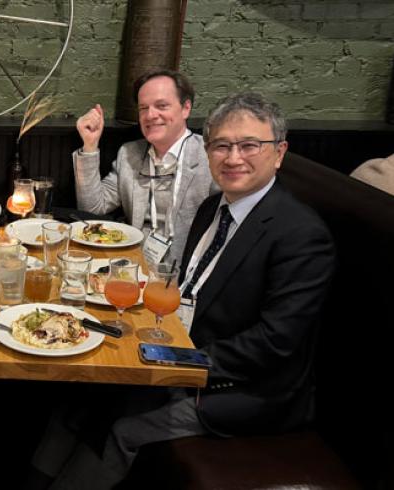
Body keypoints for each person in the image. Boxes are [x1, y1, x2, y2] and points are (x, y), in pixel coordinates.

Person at [29, 92, 336, 490]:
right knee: (78, 399)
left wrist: (182, 362)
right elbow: (185, 285)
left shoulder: (300, 235)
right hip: (180, 351)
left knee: (122, 428)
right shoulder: (213, 208)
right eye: (221, 146)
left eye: (249, 146)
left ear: (279, 153)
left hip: (245, 389)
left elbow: (275, 344)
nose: (233, 157)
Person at [73, 69, 218, 265]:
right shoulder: (129, 153)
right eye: (143, 108)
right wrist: (90, 145)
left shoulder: (210, 156)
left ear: (186, 108)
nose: (150, 115)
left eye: (162, 106)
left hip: (185, 270)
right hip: (132, 263)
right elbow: (93, 207)